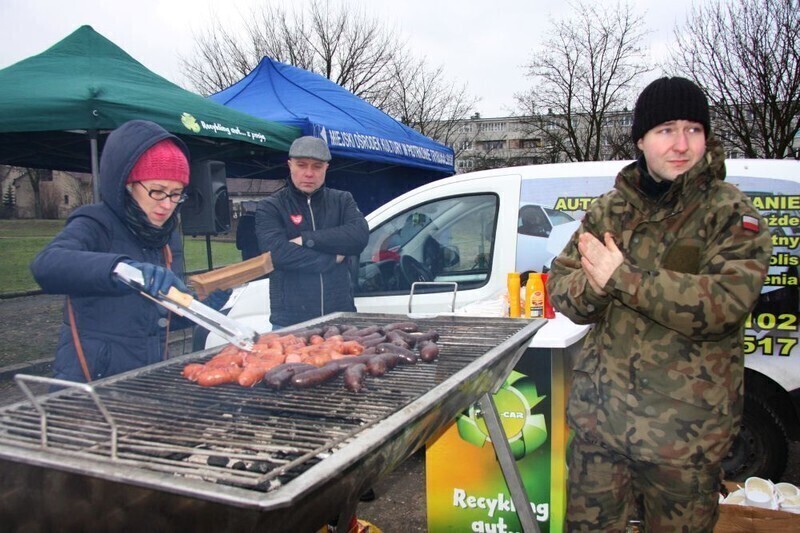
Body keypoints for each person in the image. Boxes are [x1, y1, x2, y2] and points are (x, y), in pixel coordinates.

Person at [546, 77, 772, 531]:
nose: (681, 143)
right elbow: (562, 286)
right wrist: (595, 287)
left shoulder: (728, 212)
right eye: (666, 129)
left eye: (693, 129)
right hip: (601, 428)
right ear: (642, 140)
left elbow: (726, 303)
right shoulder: (609, 210)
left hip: (683, 437)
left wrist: (622, 277)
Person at [31, 119, 219, 383]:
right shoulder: (96, 221)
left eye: (176, 194)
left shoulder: (166, 237)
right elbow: (46, 265)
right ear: (128, 184)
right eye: (157, 191)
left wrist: (201, 308)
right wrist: (124, 269)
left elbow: (160, 315)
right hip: (91, 380)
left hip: (147, 376)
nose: (167, 205)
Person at [255, 136, 369, 330]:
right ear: (290, 165)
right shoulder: (271, 206)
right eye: (301, 165)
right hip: (291, 321)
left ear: (326, 168)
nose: (309, 173)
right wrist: (333, 258)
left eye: (316, 166)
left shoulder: (342, 200)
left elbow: (358, 236)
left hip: (340, 316)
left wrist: (307, 239)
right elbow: (277, 253)